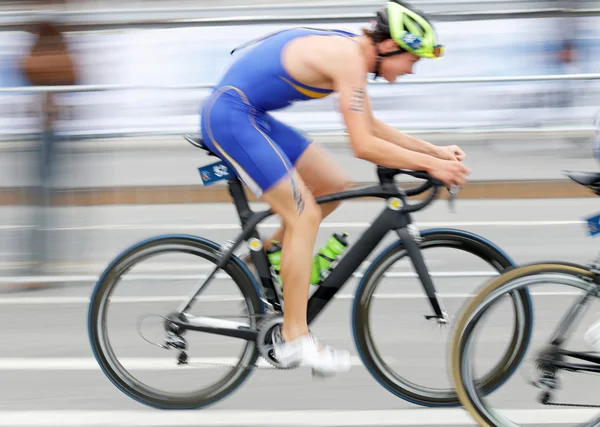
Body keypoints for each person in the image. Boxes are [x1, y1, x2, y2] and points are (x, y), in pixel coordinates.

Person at [199, 0, 470, 375]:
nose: (411, 69)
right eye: (413, 59)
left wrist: (433, 151)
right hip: (231, 117)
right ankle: (295, 339)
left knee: (332, 184)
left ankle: (270, 262)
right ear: (389, 46)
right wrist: (432, 166)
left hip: (251, 116)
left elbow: (370, 124)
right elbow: (363, 145)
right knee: (304, 215)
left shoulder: (353, 53)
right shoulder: (349, 58)